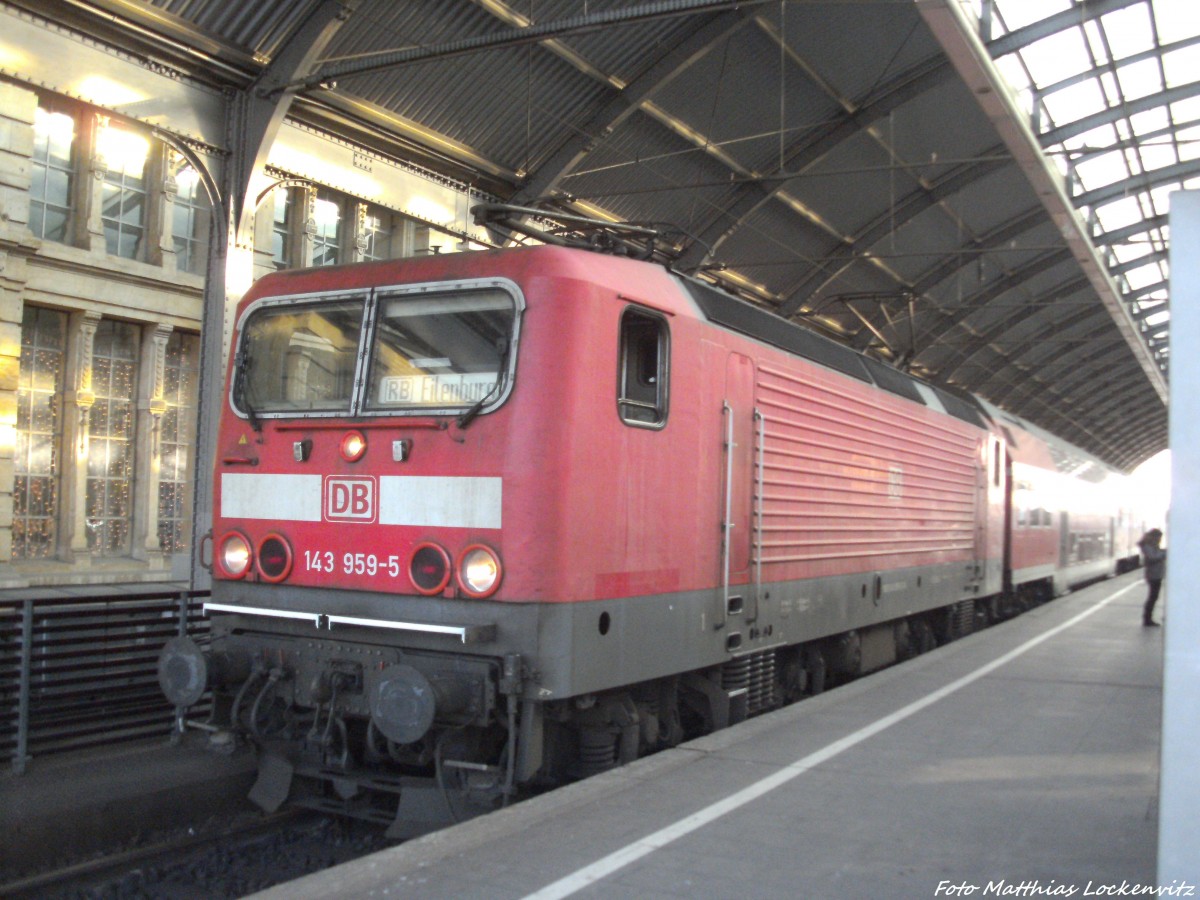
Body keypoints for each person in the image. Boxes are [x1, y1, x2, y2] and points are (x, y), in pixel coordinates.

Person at [1138, 528, 1166, 627]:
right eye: (1159, 537)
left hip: (1156, 574)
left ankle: (1148, 618)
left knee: (1153, 597)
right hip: (1153, 575)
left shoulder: (1150, 545)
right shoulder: (1147, 546)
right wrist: (1164, 553)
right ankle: (1147, 619)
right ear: (1154, 537)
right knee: (1153, 597)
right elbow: (1153, 557)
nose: (1160, 540)